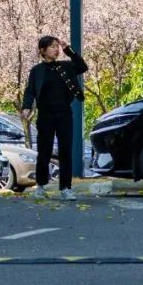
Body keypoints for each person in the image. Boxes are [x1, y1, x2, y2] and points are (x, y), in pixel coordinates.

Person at [21, 36, 88, 201]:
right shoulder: (37, 71)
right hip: (45, 114)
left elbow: (82, 66)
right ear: (42, 51)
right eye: (52, 47)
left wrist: (68, 50)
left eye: (57, 47)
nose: (56, 50)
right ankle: (41, 186)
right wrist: (26, 106)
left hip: (65, 113)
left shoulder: (65, 66)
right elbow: (30, 90)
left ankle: (66, 188)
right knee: (44, 151)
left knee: (66, 151)